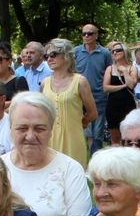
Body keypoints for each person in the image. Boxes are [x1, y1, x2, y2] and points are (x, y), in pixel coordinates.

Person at [41, 38, 99, 170]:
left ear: (66, 56)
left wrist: (81, 123)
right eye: (46, 56)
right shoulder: (44, 83)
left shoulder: (80, 81)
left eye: (53, 54)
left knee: (74, 174)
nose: (49, 59)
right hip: (50, 137)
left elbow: (93, 112)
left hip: (73, 137)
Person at [74, 23, 113, 154]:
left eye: (89, 33)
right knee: (86, 130)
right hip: (80, 95)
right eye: (84, 33)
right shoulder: (76, 52)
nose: (86, 36)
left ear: (96, 35)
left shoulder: (105, 53)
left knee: (98, 131)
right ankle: (88, 157)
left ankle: (96, 156)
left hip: (99, 95)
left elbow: (109, 72)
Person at [101, 41, 138, 147]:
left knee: (129, 137)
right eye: (112, 51)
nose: (115, 53)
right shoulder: (110, 68)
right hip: (113, 106)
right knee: (115, 138)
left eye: (118, 50)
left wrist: (125, 72)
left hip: (128, 106)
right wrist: (122, 86)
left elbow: (131, 85)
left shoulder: (132, 68)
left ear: (125, 51)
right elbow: (106, 87)